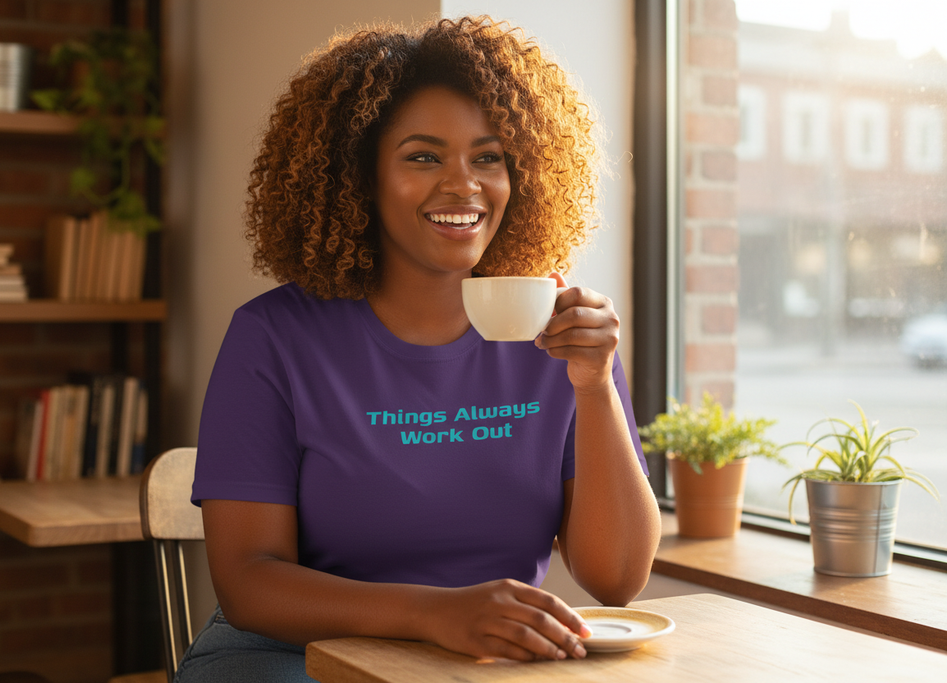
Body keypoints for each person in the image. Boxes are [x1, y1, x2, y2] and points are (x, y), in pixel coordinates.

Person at [179, 16, 661, 683]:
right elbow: (249, 584)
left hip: (479, 659)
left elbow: (617, 580)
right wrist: (435, 613)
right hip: (290, 654)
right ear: (358, 174)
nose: (463, 184)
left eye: (488, 156)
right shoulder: (273, 338)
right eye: (423, 156)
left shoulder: (561, 336)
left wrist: (595, 384)